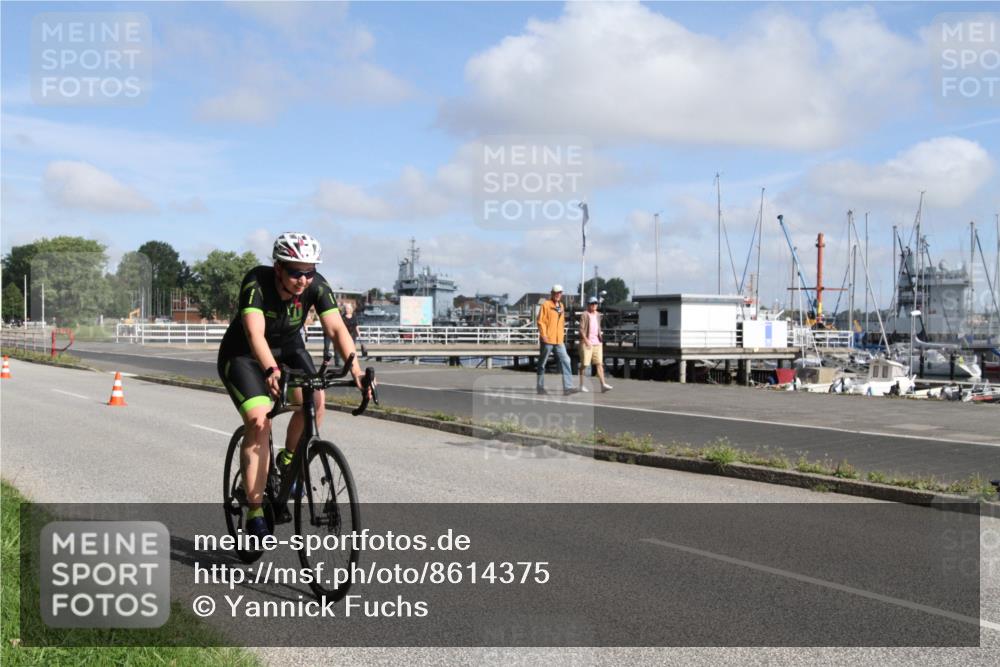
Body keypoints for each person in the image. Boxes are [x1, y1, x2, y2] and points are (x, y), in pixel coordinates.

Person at [217, 232, 369, 539]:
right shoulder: (256, 283)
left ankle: (290, 459)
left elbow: (337, 328)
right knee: (259, 423)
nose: (303, 280)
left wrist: (357, 372)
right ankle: (255, 511)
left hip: (288, 349)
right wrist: (270, 370)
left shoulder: (316, 285)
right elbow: (254, 334)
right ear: (278, 269)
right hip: (244, 355)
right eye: (296, 272)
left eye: (309, 272)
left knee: (316, 399)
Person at [536, 284, 577, 396]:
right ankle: (540, 387)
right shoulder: (546, 305)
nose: (558, 294)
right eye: (556, 292)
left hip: (559, 340)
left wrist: (562, 335)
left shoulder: (562, 305)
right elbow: (540, 321)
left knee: (566, 360)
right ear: (552, 293)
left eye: (560, 293)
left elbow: (561, 322)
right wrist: (543, 335)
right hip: (548, 339)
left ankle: (567, 387)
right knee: (542, 364)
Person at [578, 296, 613, 393]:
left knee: (599, 364)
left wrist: (600, 337)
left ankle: (603, 385)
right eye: (592, 303)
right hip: (587, 343)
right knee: (584, 365)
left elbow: (598, 327)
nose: (594, 305)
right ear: (588, 305)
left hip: (597, 343)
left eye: (596, 303)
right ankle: (581, 385)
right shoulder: (584, 315)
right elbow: (581, 329)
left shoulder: (598, 315)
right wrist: (586, 340)